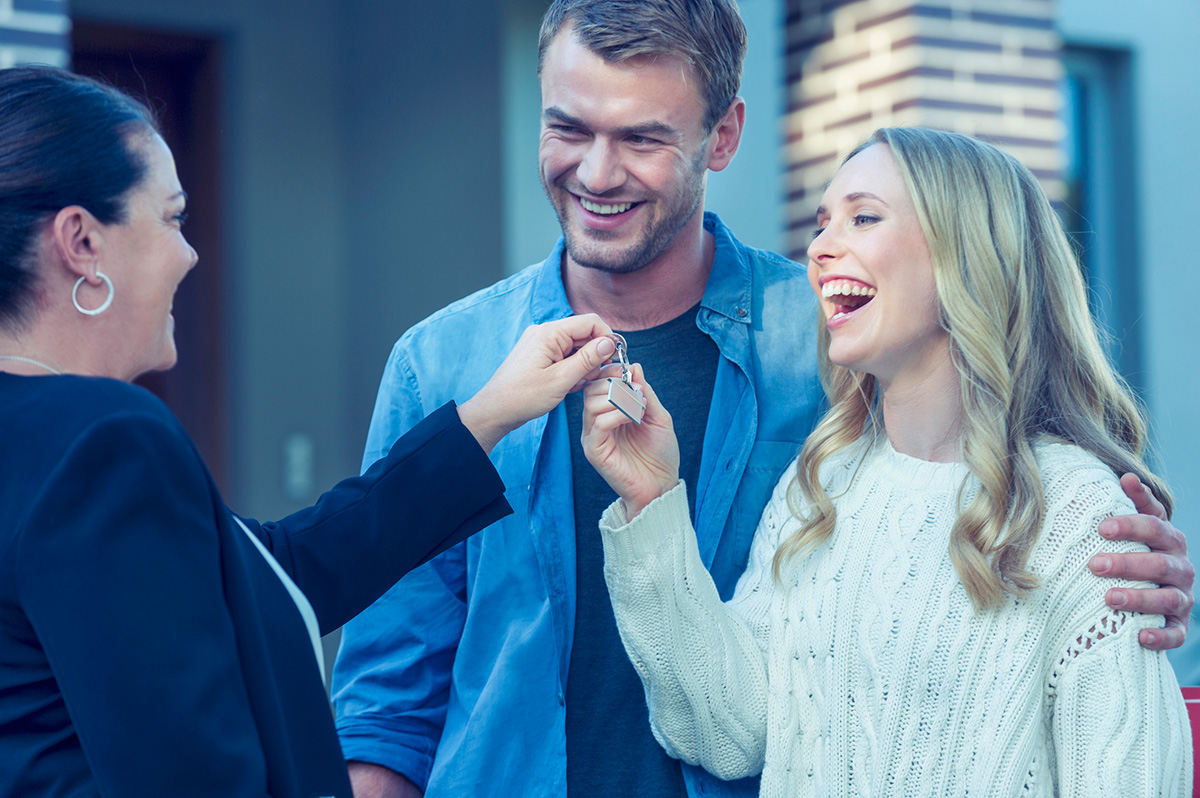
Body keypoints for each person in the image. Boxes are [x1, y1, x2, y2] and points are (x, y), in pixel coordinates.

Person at [331, 3, 1195, 797]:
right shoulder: (441, 363)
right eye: (568, 128)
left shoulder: (832, 348)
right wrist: (652, 503)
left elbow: (996, 492)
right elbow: (386, 700)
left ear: (723, 134)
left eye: (641, 137)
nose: (596, 171)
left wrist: (1114, 551)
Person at [0, 65, 617, 798]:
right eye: (170, 218)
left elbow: (266, 575)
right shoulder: (105, 443)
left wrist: (486, 416)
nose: (188, 253)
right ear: (82, 241)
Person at [582, 127, 1192, 795]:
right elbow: (729, 732)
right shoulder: (819, 489)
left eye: (864, 217)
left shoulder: (1078, 515)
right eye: (822, 225)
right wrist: (651, 501)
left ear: (969, 254)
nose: (818, 249)